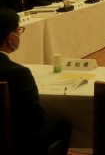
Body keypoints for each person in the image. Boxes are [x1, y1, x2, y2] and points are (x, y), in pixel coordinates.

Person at [0, 8, 72, 155]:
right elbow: (34, 119)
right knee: (63, 125)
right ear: (11, 38)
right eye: (19, 31)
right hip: (18, 144)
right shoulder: (18, 73)